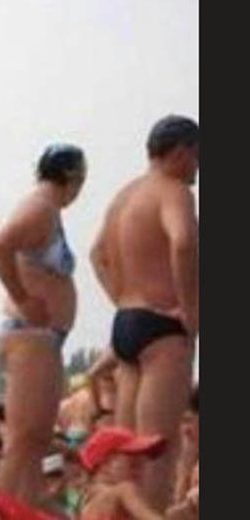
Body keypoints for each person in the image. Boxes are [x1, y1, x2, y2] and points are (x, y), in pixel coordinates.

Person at [90, 115, 199, 511]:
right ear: (182, 151)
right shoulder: (174, 192)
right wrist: (191, 310)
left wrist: (121, 298)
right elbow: (183, 242)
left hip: (127, 322)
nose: (198, 168)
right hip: (162, 327)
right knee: (157, 452)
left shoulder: (124, 196)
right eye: (198, 156)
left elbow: (97, 254)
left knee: (127, 450)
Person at [0, 144, 87, 506]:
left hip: (43, 337)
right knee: (23, 441)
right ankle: (1, 510)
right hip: (31, 334)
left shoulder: (47, 211)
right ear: (72, 177)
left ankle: (22, 507)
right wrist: (22, 297)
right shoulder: (39, 210)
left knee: (35, 441)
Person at [78, 426, 169, 520]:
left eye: (143, 466)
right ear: (105, 464)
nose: (141, 472)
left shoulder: (86, 503)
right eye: (133, 465)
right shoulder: (124, 490)